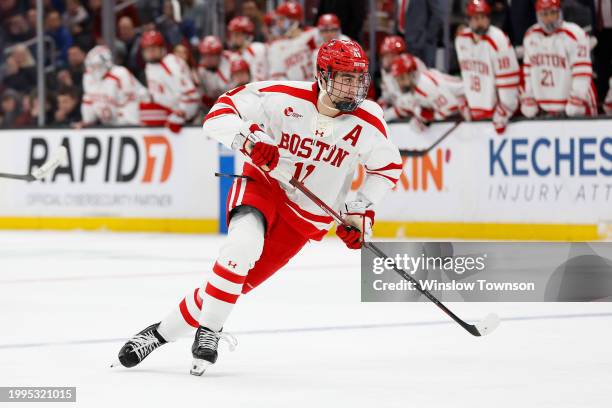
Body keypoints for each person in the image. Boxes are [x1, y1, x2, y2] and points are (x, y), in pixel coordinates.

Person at [113, 39, 402, 375]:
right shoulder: (281, 96)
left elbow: (386, 169)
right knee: (240, 248)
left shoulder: (369, 120)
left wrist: (359, 214)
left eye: (358, 79)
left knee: (230, 285)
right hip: (263, 185)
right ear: (322, 75)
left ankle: (159, 334)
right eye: (344, 78)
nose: (353, 87)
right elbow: (218, 114)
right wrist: (250, 138)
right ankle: (210, 332)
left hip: (306, 220)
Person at [521, 0, 598, 118]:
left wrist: (576, 100)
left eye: (553, 13)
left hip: (576, 104)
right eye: (544, 14)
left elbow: (582, 71)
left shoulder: (575, 34)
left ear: (560, 12)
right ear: (538, 15)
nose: (549, 18)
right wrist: (529, 97)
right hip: (545, 106)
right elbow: (528, 71)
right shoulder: (530, 35)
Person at [455, 0, 520, 134]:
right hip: (474, 114)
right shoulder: (461, 40)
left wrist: (505, 110)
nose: (480, 22)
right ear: (469, 20)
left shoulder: (498, 39)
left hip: (496, 116)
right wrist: (465, 101)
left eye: (484, 17)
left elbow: (508, 81)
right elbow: (466, 76)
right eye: (476, 18)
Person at [387, 53, 467, 131]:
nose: (400, 83)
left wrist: (429, 117)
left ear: (411, 74)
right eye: (397, 79)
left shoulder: (426, 84)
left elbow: (452, 106)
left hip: (468, 97)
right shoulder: (411, 91)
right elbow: (400, 110)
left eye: (402, 78)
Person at [139, 30, 199, 133]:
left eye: (154, 48)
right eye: (147, 49)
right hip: (164, 124)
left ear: (162, 48)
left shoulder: (172, 64)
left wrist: (181, 115)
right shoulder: (149, 67)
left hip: (184, 123)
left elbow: (192, 96)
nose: (150, 52)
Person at [79, 45, 147, 127]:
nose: (94, 69)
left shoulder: (120, 73)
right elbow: (88, 100)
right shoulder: (88, 76)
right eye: (92, 66)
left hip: (128, 123)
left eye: (97, 65)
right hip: (109, 125)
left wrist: (131, 124)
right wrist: (87, 121)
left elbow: (133, 100)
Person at [267, 1, 318, 81]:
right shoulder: (275, 46)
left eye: (282, 19)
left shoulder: (313, 34)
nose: (278, 23)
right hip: (295, 90)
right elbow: (277, 76)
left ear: (293, 20)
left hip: (317, 86)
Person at [378, 35, 426, 119]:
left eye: (391, 55)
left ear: (401, 55)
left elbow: (423, 91)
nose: (387, 59)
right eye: (385, 55)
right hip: (400, 110)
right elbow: (386, 97)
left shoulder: (414, 64)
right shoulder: (385, 71)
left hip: (418, 110)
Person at [197, 35, 234, 111]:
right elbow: (204, 96)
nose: (207, 59)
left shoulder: (232, 60)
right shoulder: (201, 69)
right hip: (215, 106)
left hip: (235, 100)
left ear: (219, 54)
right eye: (205, 55)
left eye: (211, 55)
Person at [227, 16, 268, 82]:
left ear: (247, 36)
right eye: (232, 34)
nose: (233, 38)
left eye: (237, 34)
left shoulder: (257, 48)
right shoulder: (234, 56)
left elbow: (259, 79)